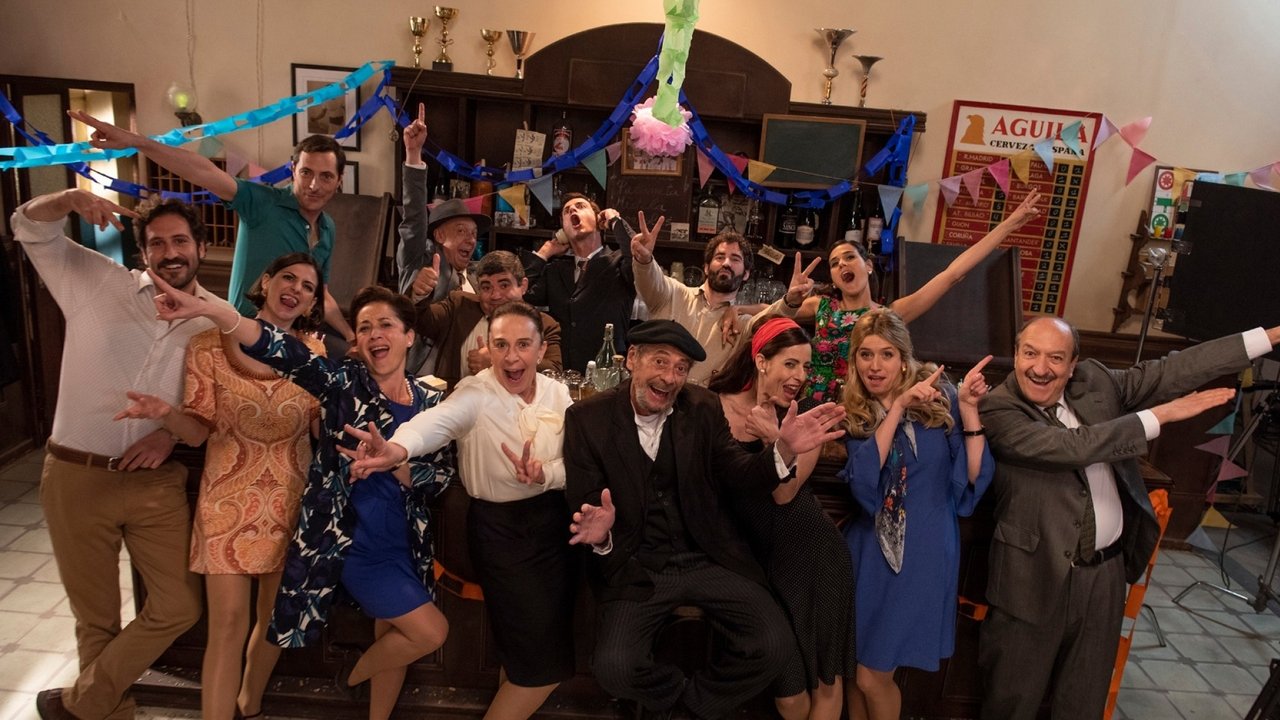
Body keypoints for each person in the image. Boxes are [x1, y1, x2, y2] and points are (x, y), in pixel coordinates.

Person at [148, 276, 456, 720]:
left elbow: (442, 476)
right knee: (429, 631)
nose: (375, 335)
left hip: (406, 543)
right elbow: (283, 351)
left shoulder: (430, 399)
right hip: (352, 543)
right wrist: (216, 311)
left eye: (386, 325)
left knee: (394, 638)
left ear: (409, 336)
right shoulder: (342, 383)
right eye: (365, 327)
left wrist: (397, 465)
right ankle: (353, 677)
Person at [978, 316, 1280, 720]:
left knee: (1083, 703)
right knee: (1012, 704)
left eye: (1056, 358)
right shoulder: (999, 407)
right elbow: (1072, 447)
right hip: (1030, 578)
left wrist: (1270, 337)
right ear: (1016, 355)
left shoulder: (1096, 382)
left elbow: (1173, 370)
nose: (1040, 368)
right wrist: (1161, 415)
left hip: (1104, 576)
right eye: (1030, 353)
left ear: (1073, 364)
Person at [564, 319, 847, 719]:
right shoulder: (586, 418)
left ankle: (688, 709)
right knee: (613, 668)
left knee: (774, 646)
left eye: (681, 368)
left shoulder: (701, 406)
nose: (670, 377)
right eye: (660, 362)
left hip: (707, 556)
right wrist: (602, 535)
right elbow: (588, 499)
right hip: (638, 563)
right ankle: (681, 702)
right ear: (632, 359)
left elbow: (738, 472)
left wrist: (781, 450)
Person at [14, 189, 224, 720]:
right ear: (143, 251)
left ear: (201, 247)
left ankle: (78, 703)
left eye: (181, 241)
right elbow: (27, 225)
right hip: (76, 475)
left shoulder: (214, 322)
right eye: (158, 243)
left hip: (155, 482)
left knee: (179, 606)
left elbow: (211, 412)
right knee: (96, 618)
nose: (170, 253)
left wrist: (169, 434)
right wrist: (67, 198)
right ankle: (106, 711)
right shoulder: (99, 282)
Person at [112, 253, 325, 720]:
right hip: (227, 501)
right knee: (227, 626)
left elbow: (319, 429)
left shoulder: (313, 353)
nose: (295, 289)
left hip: (291, 501)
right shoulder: (208, 345)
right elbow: (196, 432)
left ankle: (249, 702)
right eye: (288, 278)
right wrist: (165, 415)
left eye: (308, 286)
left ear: (312, 303)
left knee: (274, 620)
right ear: (266, 282)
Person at [342, 301, 576, 720]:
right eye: (501, 345)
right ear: (487, 347)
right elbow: (435, 423)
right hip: (502, 534)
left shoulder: (558, 393)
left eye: (523, 345)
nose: (512, 357)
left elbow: (574, 462)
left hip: (553, 529)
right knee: (543, 669)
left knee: (523, 655)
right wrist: (396, 448)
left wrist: (547, 474)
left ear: (541, 350)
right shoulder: (474, 392)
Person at [67, 109, 356, 345]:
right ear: (293, 171)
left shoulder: (328, 228)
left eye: (326, 176)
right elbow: (203, 170)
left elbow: (322, 295)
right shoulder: (262, 203)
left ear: (339, 181)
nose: (314, 185)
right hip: (244, 337)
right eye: (306, 173)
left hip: (294, 341)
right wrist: (137, 142)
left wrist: (350, 336)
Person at [838, 309, 994, 720]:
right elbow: (864, 481)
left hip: (923, 549)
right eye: (865, 354)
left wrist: (969, 407)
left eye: (886, 354)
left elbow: (974, 475)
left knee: (873, 677)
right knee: (856, 669)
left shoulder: (940, 399)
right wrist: (897, 408)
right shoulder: (854, 411)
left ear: (904, 359)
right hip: (869, 551)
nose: (875, 366)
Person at [707, 317, 856, 720]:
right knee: (789, 695)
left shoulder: (803, 416)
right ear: (761, 361)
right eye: (790, 364)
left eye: (805, 366)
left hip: (813, 556)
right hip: (757, 567)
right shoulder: (713, 405)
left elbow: (784, 493)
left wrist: (775, 439)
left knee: (824, 682)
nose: (800, 376)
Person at [801, 190, 1043, 402]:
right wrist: (790, 300)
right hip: (811, 402)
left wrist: (1009, 225)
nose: (842, 264)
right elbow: (775, 313)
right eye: (834, 263)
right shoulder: (820, 305)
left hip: (859, 407)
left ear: (869, 266)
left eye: (849, 257)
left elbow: (952, 274)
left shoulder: (888, 316)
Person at [630, 212, 819, 386]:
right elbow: (650, 279)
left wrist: (791, 300)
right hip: (654, 392)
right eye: (720, 257)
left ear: (746, 274)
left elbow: (771, 319)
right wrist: (644, 259)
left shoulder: (742, 324)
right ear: (706, 267)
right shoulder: (672, 293)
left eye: (735, 259)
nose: (726, 263)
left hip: (703, 406)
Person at [410, 248, 563, 392]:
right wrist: (420, 293)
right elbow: (420, 321)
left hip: (518, 407)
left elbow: (553, 372)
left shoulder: (544, 324)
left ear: (523, 286)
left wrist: (497, 362)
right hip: (458, 403)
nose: (495, 295)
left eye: (504, 285)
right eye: (486, 287)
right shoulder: (459, 305)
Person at [523, 192, 633, 373]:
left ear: (599, 221)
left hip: (606, 374)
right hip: (561, 374)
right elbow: (522, 293)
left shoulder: (619, 261)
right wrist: (544, 253)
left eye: (580, 207)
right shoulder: (556, 269)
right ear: (563, 231)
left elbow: (639, 253)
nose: (572, 210)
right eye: (566, 211)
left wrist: (615, 221)